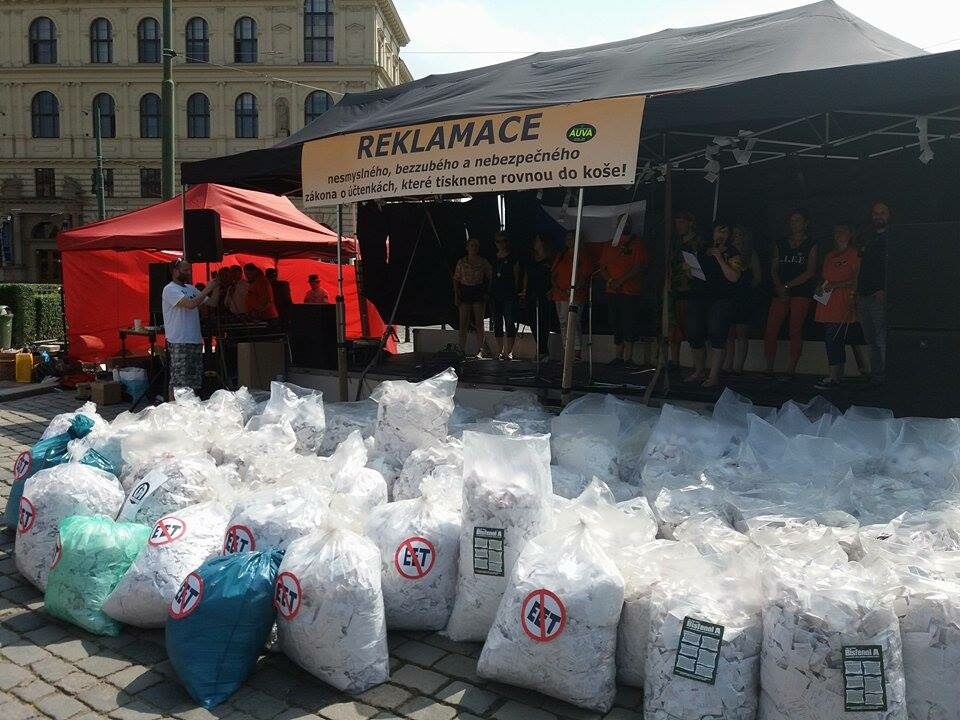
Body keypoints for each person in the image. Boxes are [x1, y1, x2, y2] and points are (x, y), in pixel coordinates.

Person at [684, 222, 743, 388]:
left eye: (726, 231)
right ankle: (699, 370)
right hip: (700, 296)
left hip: (722, 299)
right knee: (694, 332)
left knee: (717, 333)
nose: (722, 234)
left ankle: (713, 376)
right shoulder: (703, 250)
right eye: (719, 230)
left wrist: (719, 258)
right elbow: (697, 276)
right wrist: (689, 269)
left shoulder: (733, 253)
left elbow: (734, 277)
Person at [763, 209, 819, 376]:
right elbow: (774, 268)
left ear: (806, 222)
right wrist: (780, 286)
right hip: (780, 290)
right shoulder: (780, 243)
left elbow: (810, 271)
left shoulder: (811, 243)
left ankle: (791, 369)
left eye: (798, 220)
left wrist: (787, 286)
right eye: (792, 220)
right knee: (771, 328)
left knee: (795, 329)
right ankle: (769, 367)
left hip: (800, 291)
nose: (795, 223)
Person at [161, 258, 218, 398]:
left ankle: (188, 409)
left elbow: (213, 302)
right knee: (179, 381)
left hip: (195, 340)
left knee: (192, 380)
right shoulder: (170, 289)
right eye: (185, 270)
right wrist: (208, 288)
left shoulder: (191, 288)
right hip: (179, 340)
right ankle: (173, 409)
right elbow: (191, 304)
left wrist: (217, 286)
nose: (189, 273)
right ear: (175, 271)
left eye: (189, 270)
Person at [814, 222, 860, 390]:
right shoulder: (830, 255)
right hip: (827, 300)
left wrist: (839, 286)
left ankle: (834, 376)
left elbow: (857, 278)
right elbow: (826, 277)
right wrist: (821, 288)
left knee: (833, 337)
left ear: (850, 234)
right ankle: (836, 376)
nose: (838, 234)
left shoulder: (854, 254)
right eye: (836, 232)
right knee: (832, 338)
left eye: (842, 231)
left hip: (843, 300)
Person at [599, 216, 649, 366]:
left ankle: (629, 357)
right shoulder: (610, 244)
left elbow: (639, 266)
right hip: (612, 290)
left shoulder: (637, 243)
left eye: (628, 222)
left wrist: (620, 281)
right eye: (622, 222)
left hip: (630, 291)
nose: (625, 225)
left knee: (629, 323)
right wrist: (610, 281)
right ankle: (618, 356)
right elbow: (602, 266)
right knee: (615, 322)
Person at [856, 201, 890, 385]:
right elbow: (860, 267)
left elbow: (894, 267)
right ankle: (877, 377)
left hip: (880, 295)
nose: (878, 216)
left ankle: (889, 376)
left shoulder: (893, 237)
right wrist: (856, 291)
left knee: (881, 337)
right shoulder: (867, 238)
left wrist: (884, 289)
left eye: (882, 212)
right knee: (870, 338)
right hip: (863, 295)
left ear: (889, 215)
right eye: (875, 213)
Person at [723, 225, 762, 374]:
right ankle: (727, 365)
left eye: (740, 234)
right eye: (735, 234)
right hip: (728, 296)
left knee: (741, 333)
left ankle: (738, 367)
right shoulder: (727, 253)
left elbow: (758, 278)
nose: (736, 237)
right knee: (728, 333)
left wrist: (745, 289)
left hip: (744, 298)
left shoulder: (751, 254)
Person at [550, 229, 590, 361]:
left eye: (572, 238)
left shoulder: (582, 255)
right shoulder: (562, 254)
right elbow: (553, 274)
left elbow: (585, 276)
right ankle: (567, 351)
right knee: (563, 323)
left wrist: (574, 288)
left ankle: (577, 353)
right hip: (559, 295)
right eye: (567, 238)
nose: (569, 241)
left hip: (575, 295)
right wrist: (558, 288)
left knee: (573, 322)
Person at [669, 211, 700, 368]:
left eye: (681, 222)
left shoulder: (698, 242)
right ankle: (674, 362)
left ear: (690, 222)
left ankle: (697, 366)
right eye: (677, 222)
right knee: (674, 328)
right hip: (675, 290)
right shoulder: (675, 242)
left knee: (693, 330)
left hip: (692, 291)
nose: (678, 226)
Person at [453, 237, 492, 356]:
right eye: (472, 245)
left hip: (478, 291)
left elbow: (490, 276)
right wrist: (456, 294)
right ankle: (461, 349)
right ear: (467, 248)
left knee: (479, 323)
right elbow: (456, 279)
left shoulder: (483, 262)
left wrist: (487, 292)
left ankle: (480, 350)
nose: (474, 248)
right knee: (463, 323)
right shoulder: (461, 262)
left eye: (476, 246)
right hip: (465, 291)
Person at [521, 235, 553, 363]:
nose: (535, 242)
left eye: (537, 240)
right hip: (531, 293)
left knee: (543, 322)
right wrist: (524, 290)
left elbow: (553, 275)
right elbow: (527, 275)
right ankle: (540, 349)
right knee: (533, 322)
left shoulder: (550, 259)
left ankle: (543, 351)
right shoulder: (531, 258)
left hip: (544, 293)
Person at [490, 232, 521, 360]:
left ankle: (509, 351)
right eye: (498, 241)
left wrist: (517, 292)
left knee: (509, 321)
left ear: (507, 242)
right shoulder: (493, 257)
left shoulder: (513, 257)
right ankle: (499, 350)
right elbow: (490, 275)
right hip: (495, 294)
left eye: (503, 241)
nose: (501, 244)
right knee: (497, 322)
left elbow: (516, 276)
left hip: (509, 294)